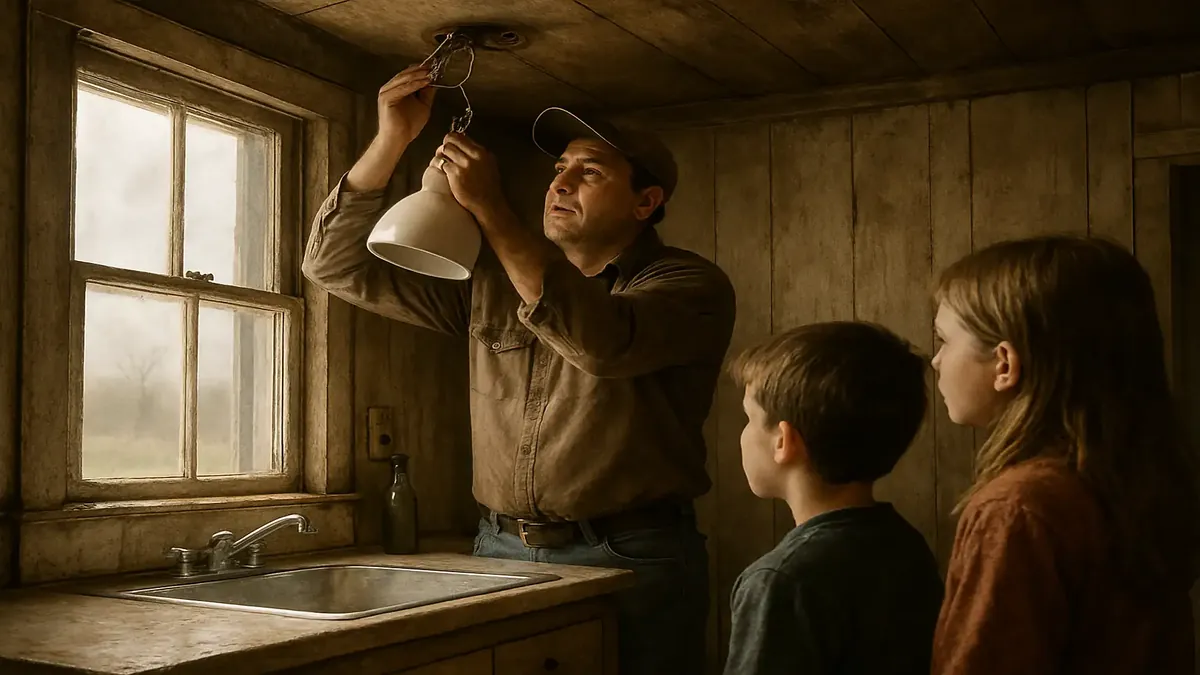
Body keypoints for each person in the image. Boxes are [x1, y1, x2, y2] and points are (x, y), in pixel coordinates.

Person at [301, 65, 735, 675]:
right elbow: (334, 266)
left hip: (632, 556)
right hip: (498, 548)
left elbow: (600, 344)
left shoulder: (687, 285)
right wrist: (390, 141)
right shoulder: (493, 282)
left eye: (591, 172)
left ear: (646, 201)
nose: (563, 182)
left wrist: (489, 206)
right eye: (560, 168)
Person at [930, 235, 1200, 674]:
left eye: (944, 339)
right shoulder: (1136, 480)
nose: (936, 361)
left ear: (1004, 363)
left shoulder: (1018, 508)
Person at [723, 321, 944, 675]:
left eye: (748, 418)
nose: (744, 433)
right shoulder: (905, 545)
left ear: (783, 442)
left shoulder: (781, 580)